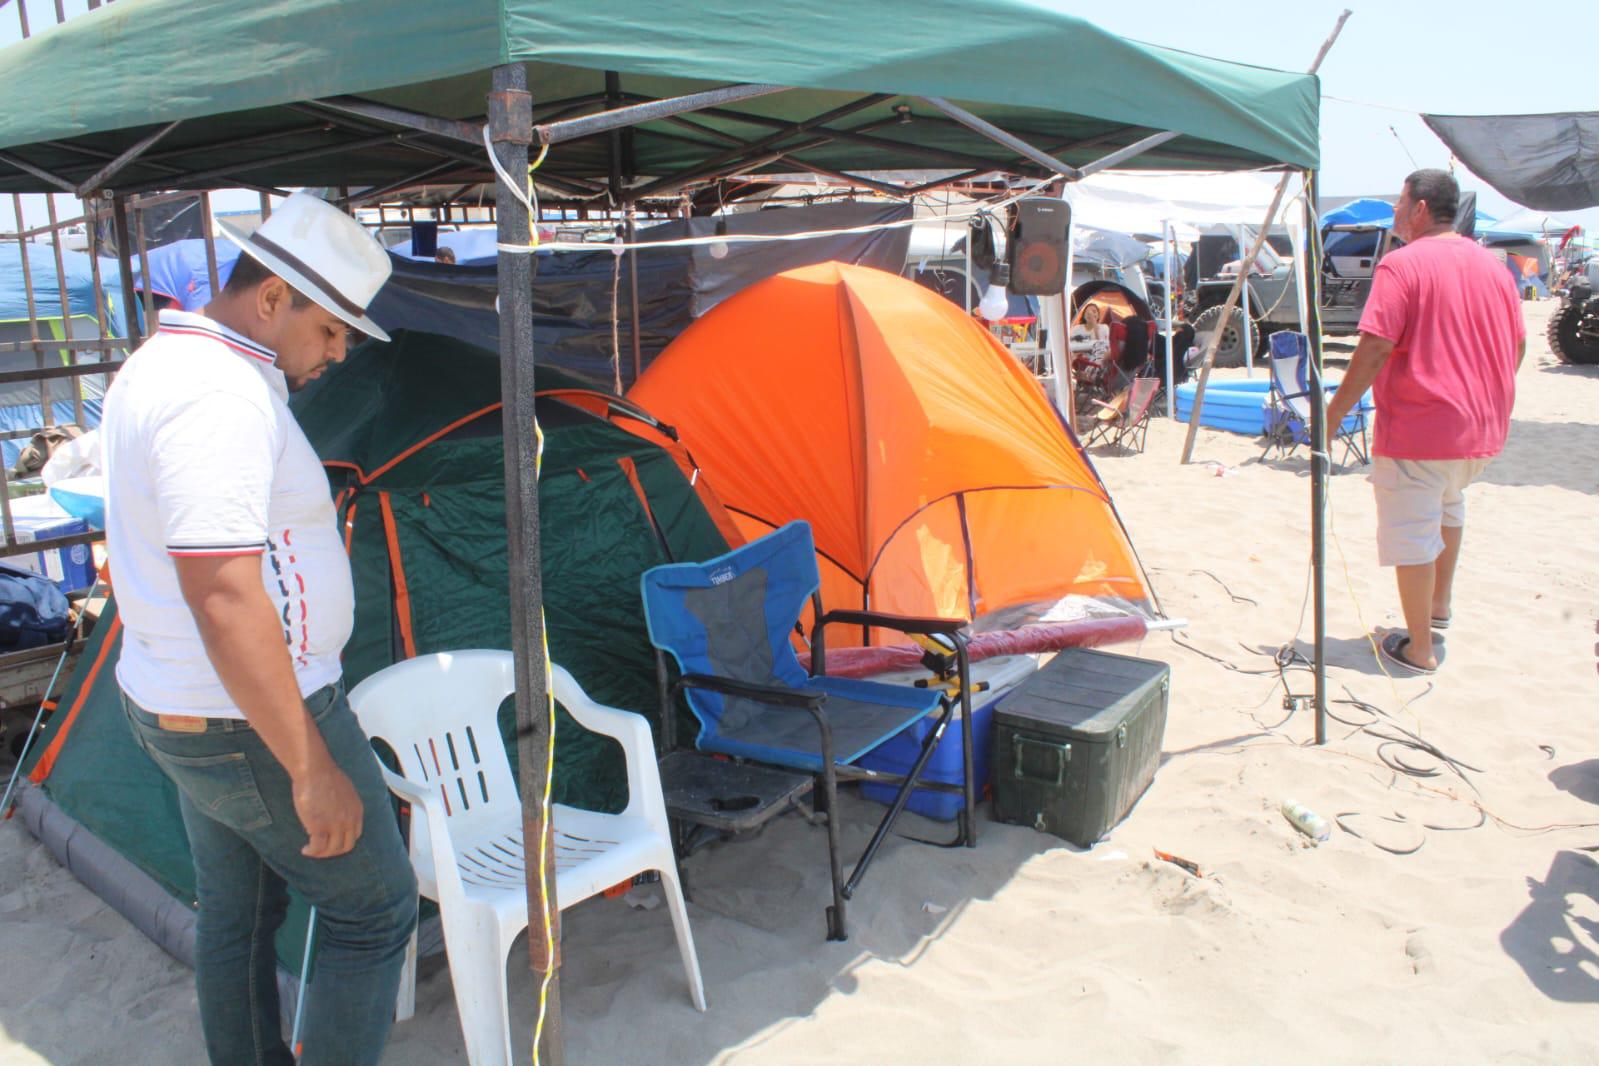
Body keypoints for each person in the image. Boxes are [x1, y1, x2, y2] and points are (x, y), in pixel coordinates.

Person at [101, 193, 417, 1065]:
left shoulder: (170, 365)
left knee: (238, 913)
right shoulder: (218, 398)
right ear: (273, 298)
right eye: (331, 330)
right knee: (374, 912)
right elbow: (226, 596)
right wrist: (309, 766)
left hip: (184, 703)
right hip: (254, 717)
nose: (339, 353)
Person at [1325, 169, 1525, 675]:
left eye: (1398, 203)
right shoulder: (1494, 267)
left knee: (1412, 528)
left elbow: (1375, 346)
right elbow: (1518, 344)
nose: (1394, 213)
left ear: (1419, 208)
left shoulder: (1402, 265)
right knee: (1449, 508)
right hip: (1479, 430)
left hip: (1422, 427)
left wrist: (1331, 416)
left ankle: (1419, 647)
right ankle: (1439, 609)